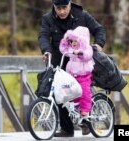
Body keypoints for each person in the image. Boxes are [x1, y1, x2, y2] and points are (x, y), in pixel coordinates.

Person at [38, 0, 106, 137]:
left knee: (81, 89)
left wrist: (98, 45)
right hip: (60, 60)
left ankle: (86, 121)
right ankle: (66, 129)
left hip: (80, 61)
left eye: (64, 7)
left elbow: (99, 30)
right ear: (54, 6)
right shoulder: (47, 19)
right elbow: (43, 36)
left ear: (70, 5)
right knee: (59, 92)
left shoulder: (82, 15)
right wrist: (46, 51)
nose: (62, 11)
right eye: (58, 8)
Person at [59, 26, 94, 134]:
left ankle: (85, 113)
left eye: (76, 41)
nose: (73, 43)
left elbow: (88, 55)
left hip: (83, 76)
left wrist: (80, 53)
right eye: (72, 41)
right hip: (72, 77)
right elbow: (63, 50)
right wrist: (65, 42)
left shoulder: (86, 49)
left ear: (82, 41)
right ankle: (77, 112)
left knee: (84, 94)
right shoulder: (71, 49)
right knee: (71, 94)